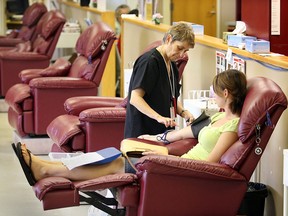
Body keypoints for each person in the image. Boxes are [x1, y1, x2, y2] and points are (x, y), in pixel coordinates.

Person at [14, 69, 247, 185]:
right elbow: (186, 133)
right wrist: (158, 140)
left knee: (117, 164)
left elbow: (210, 165)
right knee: (113, 156)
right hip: (179, 162)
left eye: (214, 92)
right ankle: (46, 164)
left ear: (225, 93)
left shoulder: (232, 126)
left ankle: (46, 170)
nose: (212, 96)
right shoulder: (217, 118)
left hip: (184, 172)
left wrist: (169, 161)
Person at [124, 22, 195, 139]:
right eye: (180, 48)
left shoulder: (172, 65)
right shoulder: (149, 62)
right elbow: (135, 98)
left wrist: (184, 113)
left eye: (185, 51)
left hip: (162, 132)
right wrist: (159, 117)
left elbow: (172, 98)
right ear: (169, 39)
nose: (182, 54)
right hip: (143, 132)